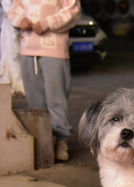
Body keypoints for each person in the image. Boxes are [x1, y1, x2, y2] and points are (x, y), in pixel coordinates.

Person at [8, 0, 81, 161]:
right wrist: (21, 20)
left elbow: (73, 11)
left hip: (53, 49)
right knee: (34, 101)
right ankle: (41, 143)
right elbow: (14, 10)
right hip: (28, 50)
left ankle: (61, 141)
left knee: (56, 99)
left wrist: (48, 23)